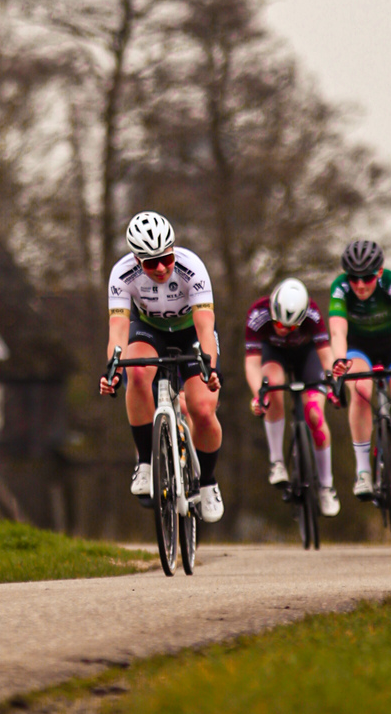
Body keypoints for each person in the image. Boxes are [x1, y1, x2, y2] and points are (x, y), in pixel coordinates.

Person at [100, 210, 225, 523]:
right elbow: (117, 330)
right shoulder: (122, 274)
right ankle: (145, 462)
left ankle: (208, 482)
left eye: (165, 258)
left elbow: (205, 325)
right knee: (136, 371)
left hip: (190, 334)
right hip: (149, 330)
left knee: (203, 410)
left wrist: (208, 367)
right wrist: (112, 368)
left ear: (173, 249)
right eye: (150, 262)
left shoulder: (191, 267)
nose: (160, 268)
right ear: (136, 259)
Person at [324, 237, 391, 512]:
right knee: (360, 391)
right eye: (354, 278)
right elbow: (337, 331)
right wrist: (339, 360)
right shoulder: (340, 288)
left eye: (367, 278)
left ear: (379, 273)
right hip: (359, 347)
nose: (360, 285)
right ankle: (363, 472)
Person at [243, 274, 341, 516]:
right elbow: (253, 364)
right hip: (273, 355)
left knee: (315, 414)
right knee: (273, 386)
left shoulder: (313, 315)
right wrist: (259, 396)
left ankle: (327, 487)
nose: (284, 330)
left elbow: (327, 357)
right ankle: (277, 461)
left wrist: (333, 387)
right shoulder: (258, 314)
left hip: (307, 356)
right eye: (279, 324)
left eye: (291, 327)